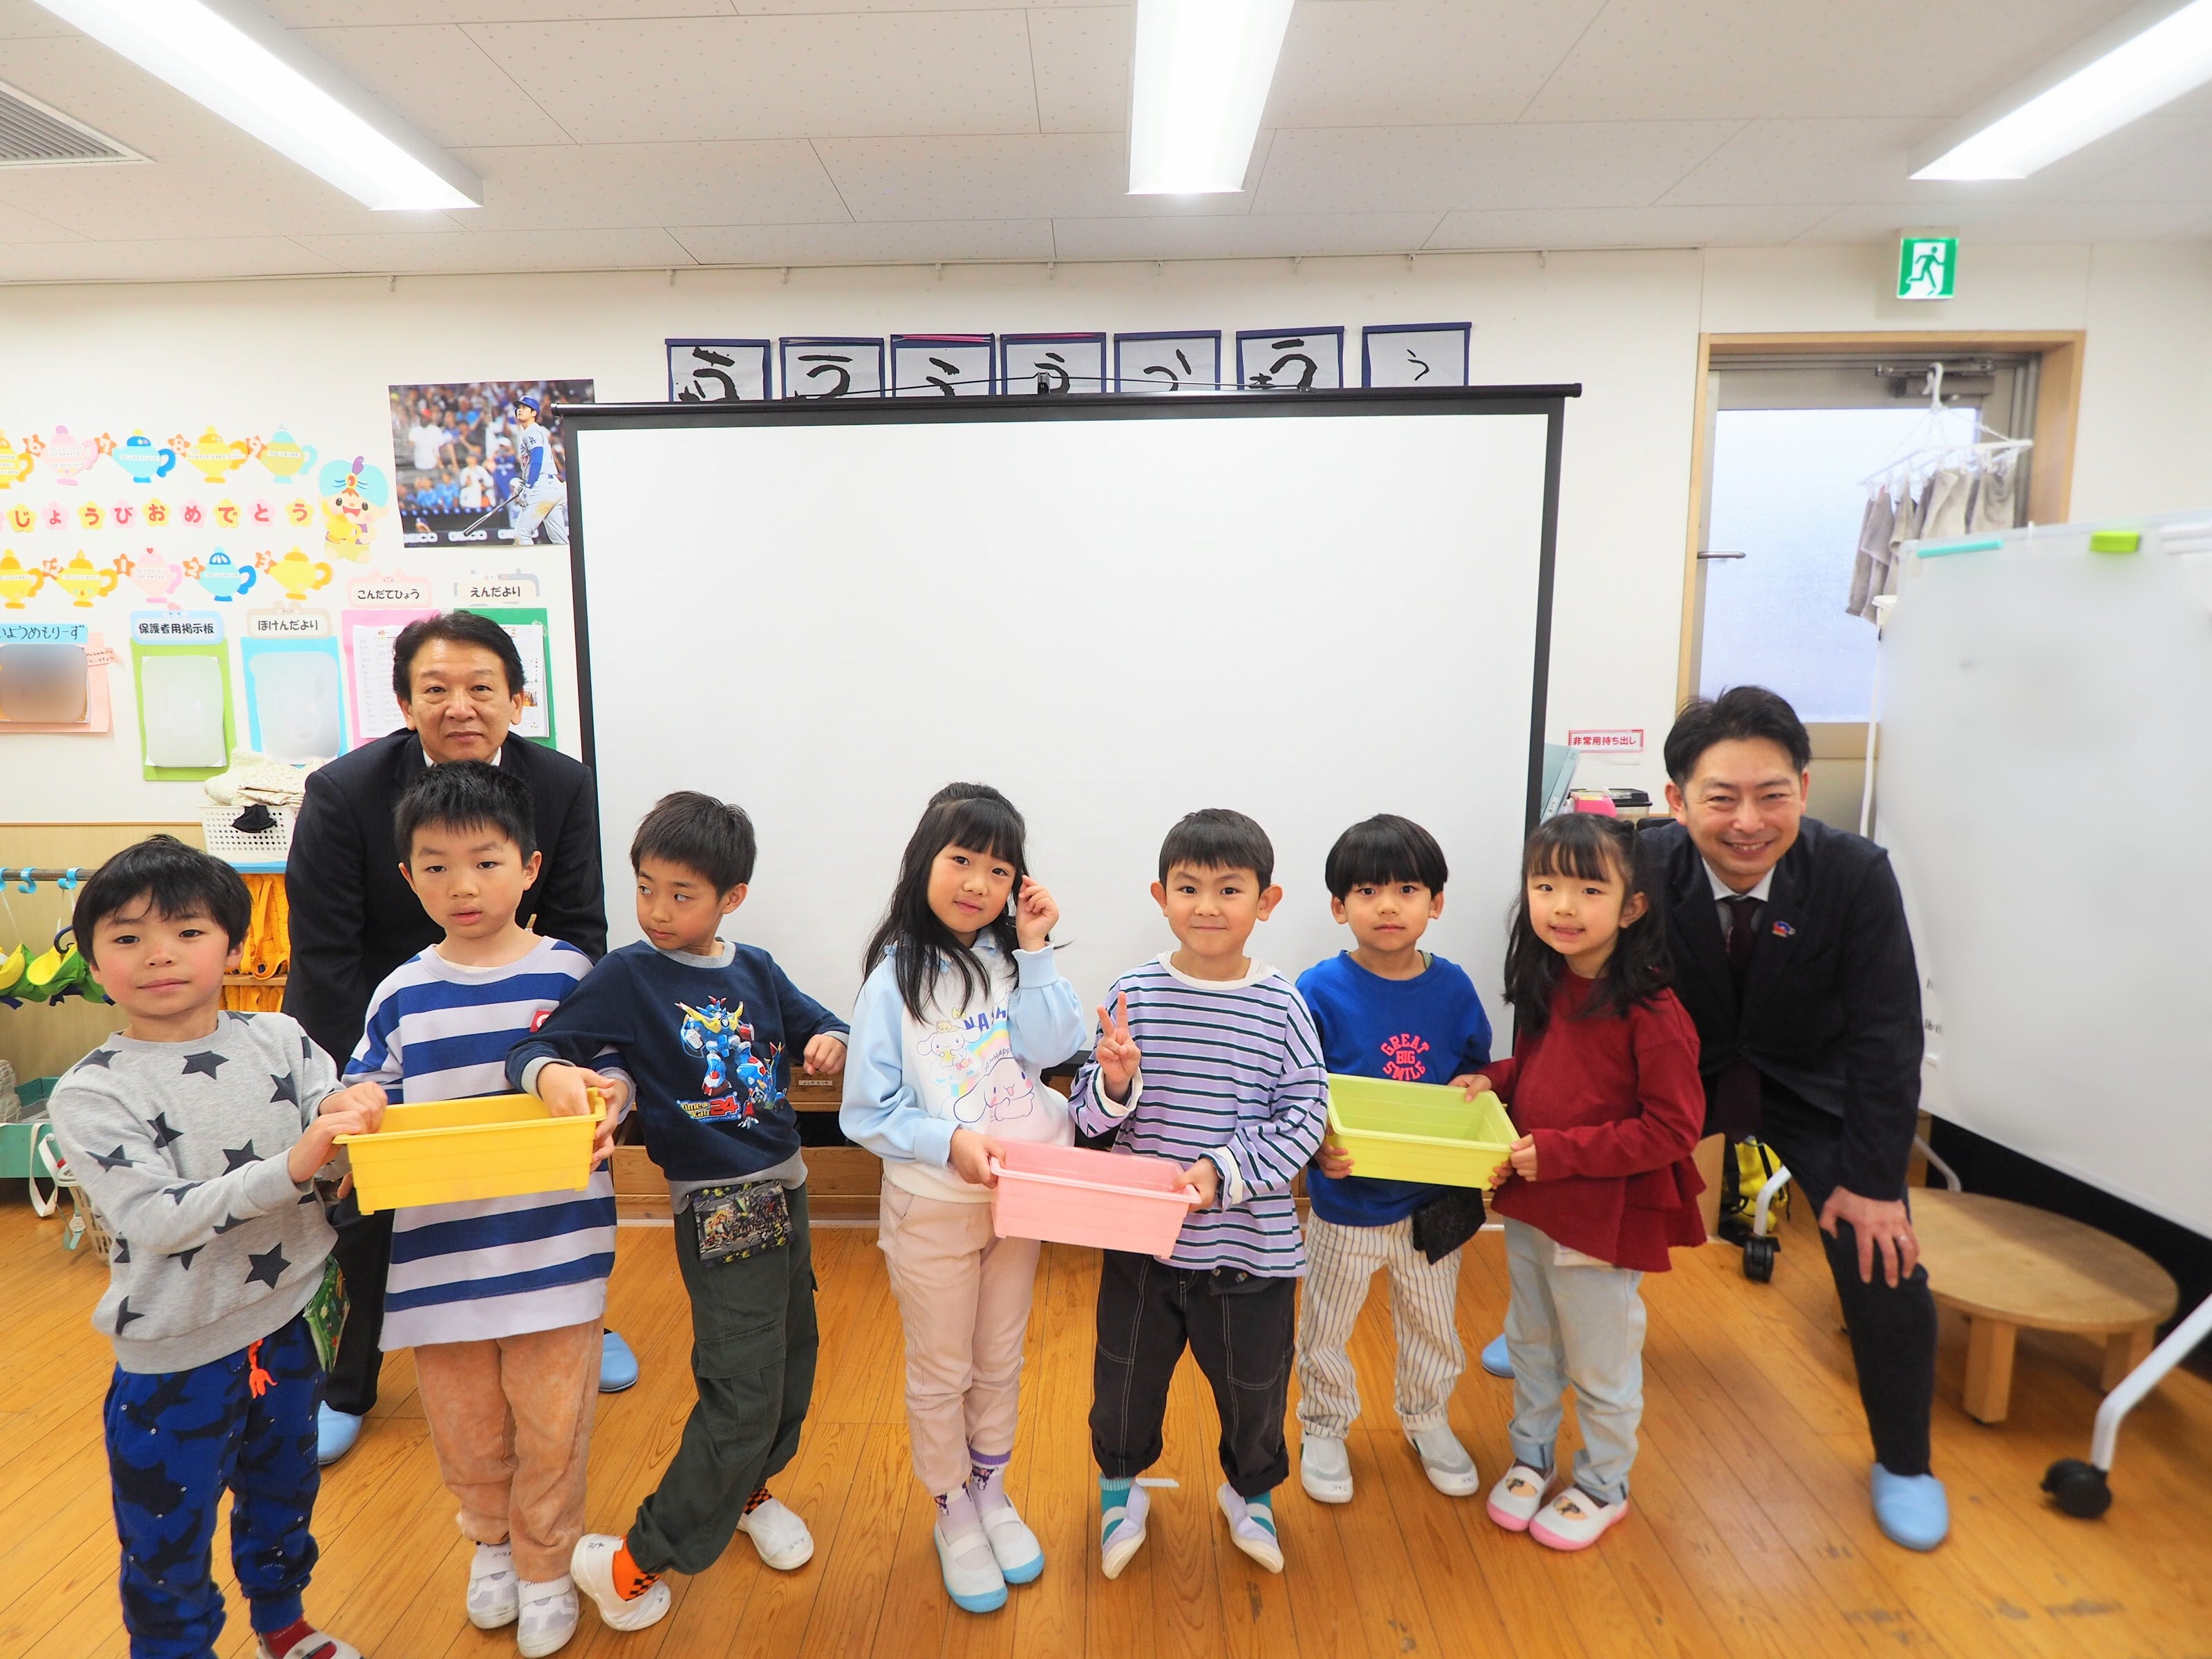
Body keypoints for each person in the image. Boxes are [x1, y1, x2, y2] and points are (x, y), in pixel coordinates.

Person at [283, 609, 624, 1467]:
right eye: (435, 689)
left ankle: (572, 1313)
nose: (460, 706)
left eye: (481, 688)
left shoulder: (562, 783)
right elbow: (325, 956)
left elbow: (579, 924)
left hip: (525, 1017)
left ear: (518, 698)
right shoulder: (344, 791)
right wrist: (356, 1089)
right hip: (399, 1016)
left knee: (553, 1176)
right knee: (373, 1207)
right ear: (405, 704)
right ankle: (348, 1380)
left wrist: (558, 1043)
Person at [509, 793, 849, 1638]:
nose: (658, 911)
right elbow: (537, 1047)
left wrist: (829, 1040)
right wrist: (551, 1077)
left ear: (731, 898)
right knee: (742, 1393)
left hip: (789, 1189)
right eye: (646, 888)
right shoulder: (629, 974)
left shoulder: (754, 967)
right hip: (722, 1208)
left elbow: (821, 1022)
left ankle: (748, 1493)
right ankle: (633, 1563)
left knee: (790, 1363)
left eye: (681, 895)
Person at [46, 837, 387, 1659]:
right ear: (93, 963)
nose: (159, 954)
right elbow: (157, 1219)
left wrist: (356, 1114)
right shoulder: (93, 1090)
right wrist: (298, 1162)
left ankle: (283, 1624)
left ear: (234, 947)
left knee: (283, 1496)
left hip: (289, 1325)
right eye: (128, 937)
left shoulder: (282, 1038)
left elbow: (332, 1117)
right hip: (177, 1356)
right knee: (166, 1539)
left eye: (188, 931)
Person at [1644, 686, 1947, 1550]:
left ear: (1804, 790)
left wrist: (1875, 1182)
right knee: (1578, 1184)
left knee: (1881, 1251)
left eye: (1770, 795)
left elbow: (1888, 1033)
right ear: (1675, 801)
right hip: (1682, 1070)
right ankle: (1541, 1332)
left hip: (1812, 1082)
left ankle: (1904, 1462)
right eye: (1720, 798)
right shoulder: (1637, 865)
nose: (1747, 822)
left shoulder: (1854, 874)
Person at [344, 762, 628, 1658]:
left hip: (556, 1251)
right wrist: (353, 1110)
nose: (462, 886)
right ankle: (492, 1545)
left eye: (486, 862)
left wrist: (610, 1099)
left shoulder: (571, 971)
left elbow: (614, 1070)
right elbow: (365, 1090)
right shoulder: (401, 991)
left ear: (530, 867)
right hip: (441, 1259)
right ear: (408, 878)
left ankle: (546, 1566)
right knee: (466, 1431)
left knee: (553, 1427)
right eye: (436, 867)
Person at [839, 788, 1084, 1614]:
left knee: (1000, 1358)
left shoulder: (1015, 963)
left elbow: (1055, 1047)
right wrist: (947, 1141)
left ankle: (990, 1490)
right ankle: (950, 1507)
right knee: (942, 1369)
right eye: (961, 860)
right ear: (924, 862)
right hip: (933, 1205)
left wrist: (1036, 950)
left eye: (999, 869)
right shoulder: (894, 977)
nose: (978, 883)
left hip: (1020, 1200)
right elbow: (865, 1110)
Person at [1072, 809, 1328, 1580]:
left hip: (1250, 1254)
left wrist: (1222, 1169)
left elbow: (1305, 1116)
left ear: (1266, 901)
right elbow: (1088, 1118)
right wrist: (1115, 1084)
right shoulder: (1134, 993)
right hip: (1143, 1247)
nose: (1207, 906)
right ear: (1160, 896)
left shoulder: (1283, 1005)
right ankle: (1120, 1489)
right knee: (1123, 1384)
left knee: (1255, 1392)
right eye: (1188, 888)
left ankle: (1251, 1493)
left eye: (1229, 889)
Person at [1468, 814, 1705, 1551]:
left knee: (1601, 1366)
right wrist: (1496, 1079)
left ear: (1631, 908)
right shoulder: (1550, 980)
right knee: (1531, 1342)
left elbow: (1673, 1130)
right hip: (1535, 1204)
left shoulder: (1653, 1012)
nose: (1562, 907)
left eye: (1588, 890)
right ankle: (1531, 1459)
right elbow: (1549, 1074)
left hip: (1601, 1220)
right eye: (1545, 886)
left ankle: (1604, 1485)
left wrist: (1561, 1153)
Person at [1293, 814, 1493, 1506]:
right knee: (1325, 1327)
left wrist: (1478, 1081)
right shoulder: (1318, 989)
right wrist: (1317, 1143)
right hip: (1345, 1203)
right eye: (1367, 890)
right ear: (1338, 906)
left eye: (1406, 889)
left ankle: (1426, 1418)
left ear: (1435, 903)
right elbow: (1296, 1088)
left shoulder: (1454, 987)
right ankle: (1323, 1426)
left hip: (1433, 1203)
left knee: (1433, 1328)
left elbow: (1474, 1068)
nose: (1387, 905)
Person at [507, 397, 565, 546]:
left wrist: (528, 487)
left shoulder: (532, 430)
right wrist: (523, 482)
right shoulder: (531, 431)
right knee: (560, 541)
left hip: (542, 486)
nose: (520, 410)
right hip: (552, 487)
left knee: (521, 534)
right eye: (518, 408)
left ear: (534, 413)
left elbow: (538, 459)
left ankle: (531, 562)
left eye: (524, 408)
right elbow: (532, 463)